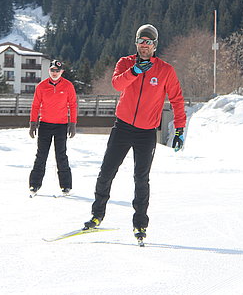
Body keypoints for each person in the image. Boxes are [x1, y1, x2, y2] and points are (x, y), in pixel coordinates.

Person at [83, 24, 186, 241]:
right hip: (123, 127)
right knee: (106, 172)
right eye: (141, 41)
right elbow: (117, 84)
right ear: (136, 43)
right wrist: (134, 71)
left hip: (146, 132)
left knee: (141, 178)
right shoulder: (125, 63)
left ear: (155, 45)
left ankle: (140, 224)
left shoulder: (165, 70)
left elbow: (176, 99)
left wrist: (179, 129)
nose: (144, 45)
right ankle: (96, 216)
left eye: (148, 42)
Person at [29, 59, 77, 195]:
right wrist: (33, 123)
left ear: (62, 72)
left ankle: (66, 186)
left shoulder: (68, 86)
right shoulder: (41, 86)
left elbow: (73, 105)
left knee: (61, 155)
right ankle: (34, 184)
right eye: (52, 70)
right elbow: (35, 105)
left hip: (61, 126)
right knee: (41, 155)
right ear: (49, 71)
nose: (54, 73)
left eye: (57, 71)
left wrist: (72, 123)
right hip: (45, 125)